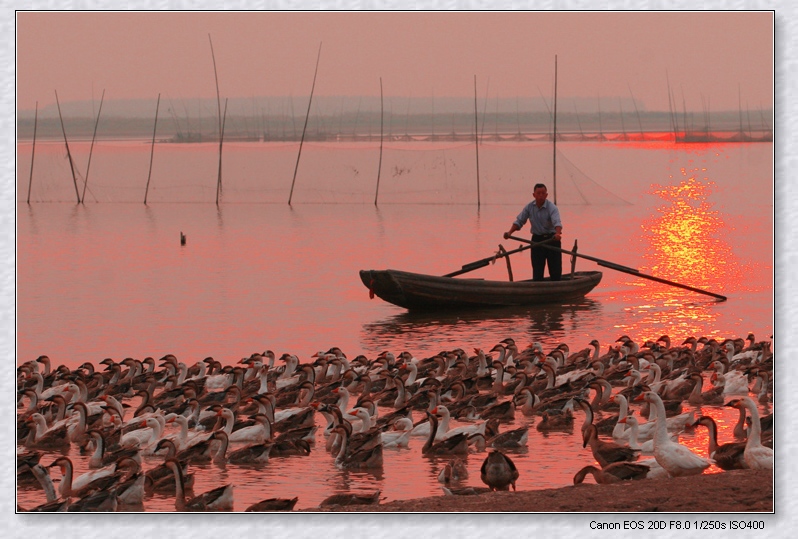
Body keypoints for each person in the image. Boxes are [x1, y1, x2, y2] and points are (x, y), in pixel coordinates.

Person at [503, 183, 563, 281]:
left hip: (552, 239)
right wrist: (509, 233)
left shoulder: (552, 207)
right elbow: (519, 221)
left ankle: (556, 287)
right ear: (534, 195)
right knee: (537, 272)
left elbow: (557, 223)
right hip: (537, 240)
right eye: (538, 193)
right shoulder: (529, 207)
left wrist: (557, 234)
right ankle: (538, 288)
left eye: (543, 193)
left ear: (546, 195)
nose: (541, 196)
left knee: (555, 272)